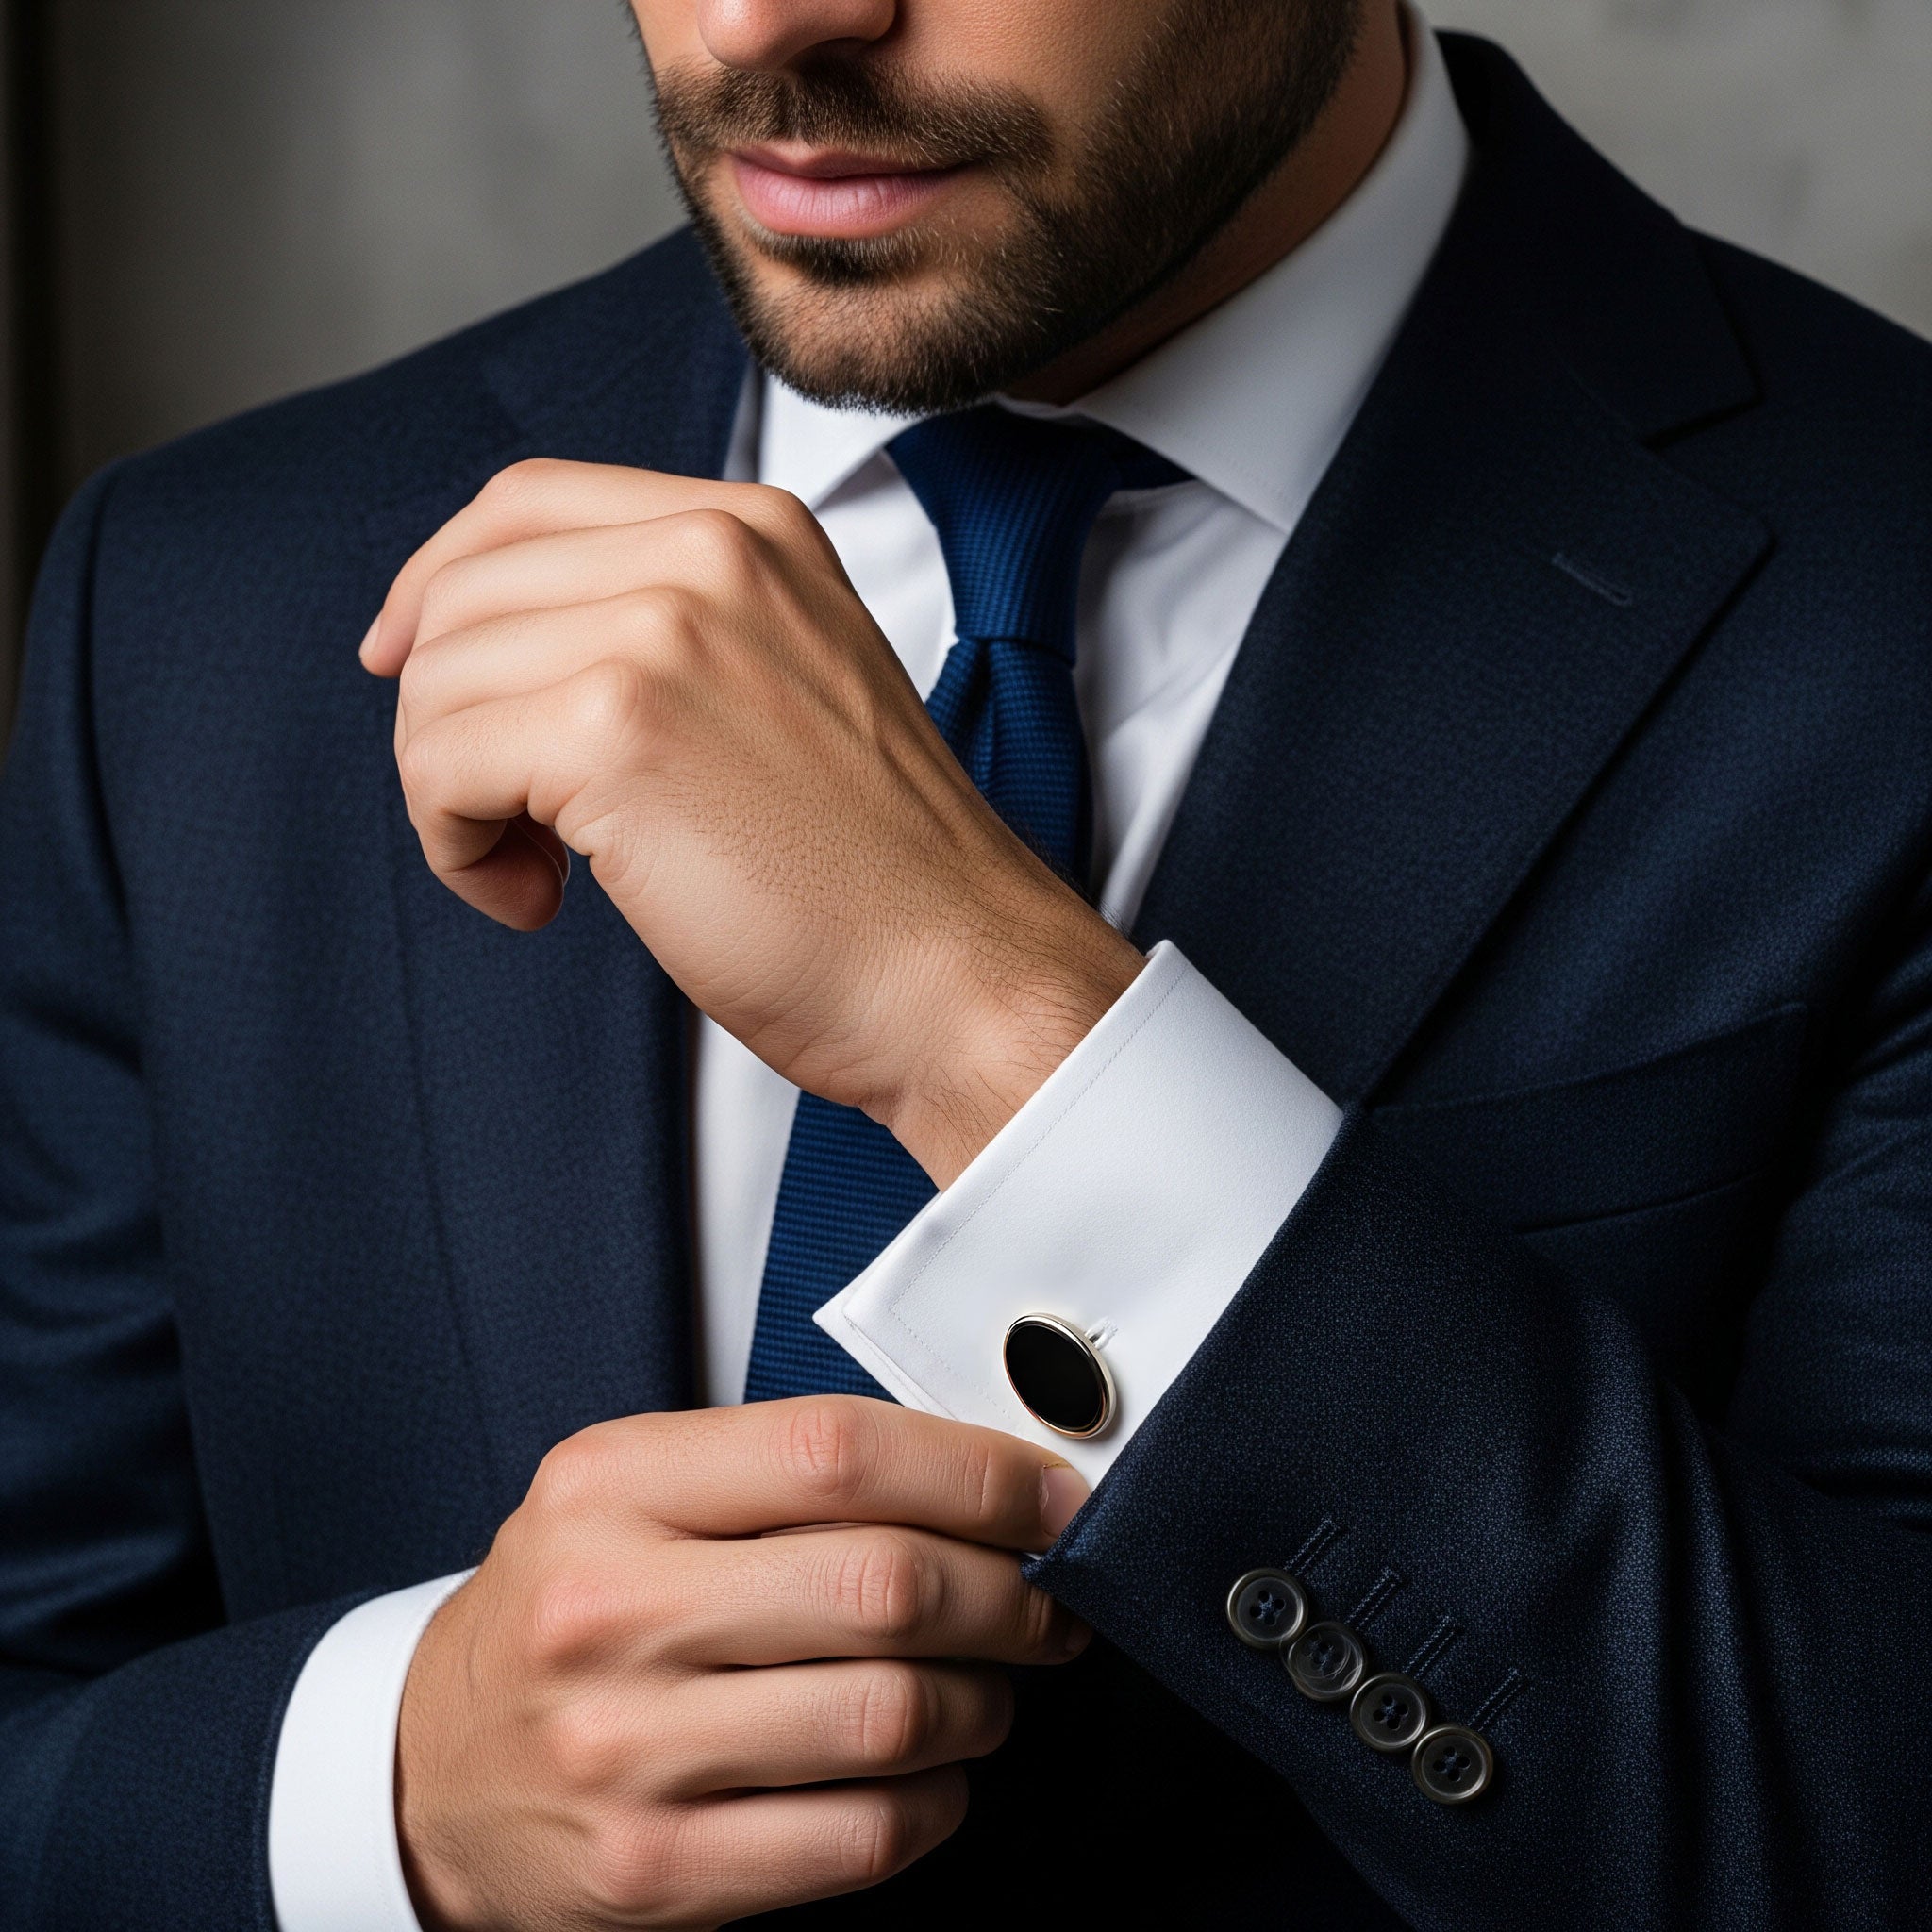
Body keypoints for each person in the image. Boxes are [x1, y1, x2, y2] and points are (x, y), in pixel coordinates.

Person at [3, 0, 1929, 1924]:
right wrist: (384, 1781)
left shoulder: (1881, 592)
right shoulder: (197, 604)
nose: (769, 20)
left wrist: (994, 1026)